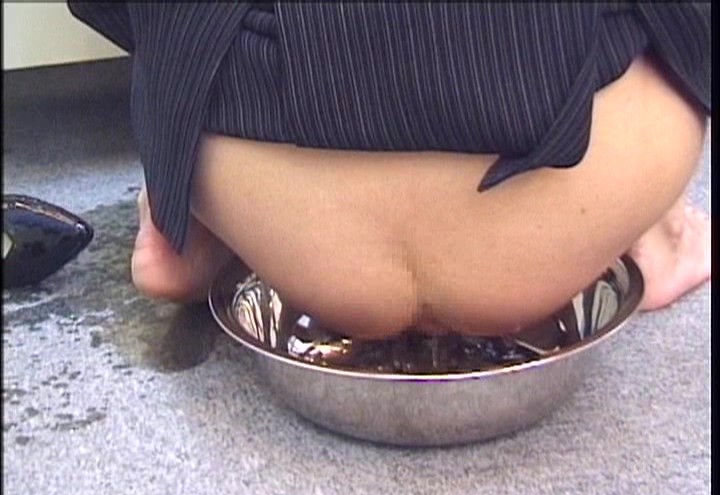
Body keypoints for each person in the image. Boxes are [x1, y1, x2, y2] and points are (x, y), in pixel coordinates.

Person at [68, 3, 710, 339]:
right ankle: (656, 227)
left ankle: (186, 214)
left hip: (264, 187)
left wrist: (175, 119)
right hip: (591, 177)